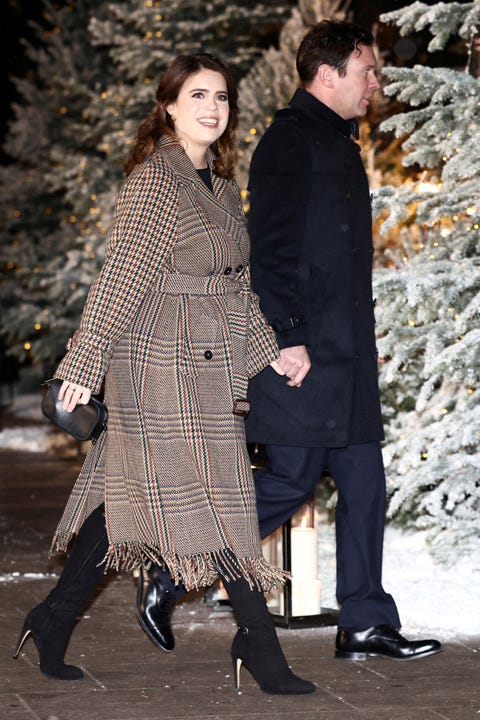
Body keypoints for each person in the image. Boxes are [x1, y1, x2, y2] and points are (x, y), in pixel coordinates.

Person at [135, 22, 442, 663]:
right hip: (299, 354)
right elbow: (268, 255)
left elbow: (336, 260)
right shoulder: (290, 141)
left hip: (342, 352)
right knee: (290, 481)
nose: (375, 84)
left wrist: (360, 340)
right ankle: (173, 571)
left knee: (364, 483)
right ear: (328, 75)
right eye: (367, 72)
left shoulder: (337, 141)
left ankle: (364, 619)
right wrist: (289, 338)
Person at [12, 52, 315, 695]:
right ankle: (260, 647)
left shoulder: (220, 188)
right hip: (157, 362)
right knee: (216, 495)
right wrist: (83, 360)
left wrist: (271, 348)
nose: (212, 107)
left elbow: (234, 287)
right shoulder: (157, 180)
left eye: (223, 97)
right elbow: (123, 276)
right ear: (170, 106)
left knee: (130, 502)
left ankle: (53, 617)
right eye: (198, 94)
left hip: (207, 362)